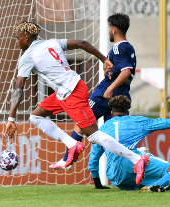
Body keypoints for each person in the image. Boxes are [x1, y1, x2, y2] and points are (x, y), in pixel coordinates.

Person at [4, 21, 149, 184]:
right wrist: (103, 59)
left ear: (26, 37)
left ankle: (137, 159)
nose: (17, 42)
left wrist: (11, 119)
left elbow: (18, 88)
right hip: (65, 92)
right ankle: (72, 144)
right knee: (36, 117)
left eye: (18, 38)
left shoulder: (27, 57)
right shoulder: (52, 42)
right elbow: (82, 43)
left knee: (94, 136)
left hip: (71, 92)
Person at [49, 13, 136, 171]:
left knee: (81, 121)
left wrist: (109, 88)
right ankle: (135, 163)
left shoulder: (118, 47)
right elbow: (121, 70)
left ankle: (67, 158)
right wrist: (108, 68)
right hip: (122, 96)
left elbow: (126, 71)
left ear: (114, 29)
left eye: (109, 28)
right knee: (115, 136)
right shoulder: (129, 47)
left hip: (105, 94)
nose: (108, 31)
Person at [88, 95, 170, 192]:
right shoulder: (136, 121)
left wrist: (98, 184)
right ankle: (156, 186)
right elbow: (157, 123)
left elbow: (93, 160)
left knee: (140, 153)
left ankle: (154, 183)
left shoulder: (103, 128)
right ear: (128, 112)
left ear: (112, 113)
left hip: (115, 176)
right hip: (133, 164)